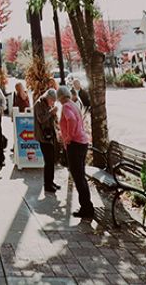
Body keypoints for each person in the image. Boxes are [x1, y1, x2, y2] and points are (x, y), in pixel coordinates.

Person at [57, 86, 94, 219]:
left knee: (78, 177)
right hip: (82, 142)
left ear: (60, 97)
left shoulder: (66, 106)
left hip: (75, 144)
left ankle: (87, 208)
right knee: (81, 176)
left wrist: (68, 137)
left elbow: (71, 120)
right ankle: (87, 206)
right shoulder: (73, 104)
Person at [34, 88, 61, 193]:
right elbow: (41, 119)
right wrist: (51, 112)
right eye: (52, 100)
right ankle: (47, 185)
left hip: (50, 136)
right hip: (43, 137)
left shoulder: (49, 104)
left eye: (54, 101)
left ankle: (51, 181)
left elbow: (52, 119)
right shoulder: (39, 104)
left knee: (52, 161)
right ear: (47, 97)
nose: (53, 102)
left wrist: (54, 115)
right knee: (48, 161)